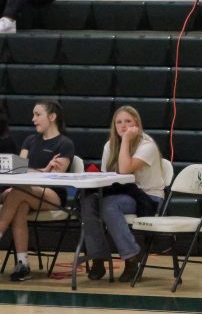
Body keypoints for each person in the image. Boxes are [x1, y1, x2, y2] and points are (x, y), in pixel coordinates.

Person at [80, 106, 165, 282]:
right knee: (88, 201)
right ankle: (97, 258)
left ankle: (132, 257)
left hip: (147, 196)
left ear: (137, 124)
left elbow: (125, 170)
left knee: (108, 205)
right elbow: (106, 178)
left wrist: (126, 140)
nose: (123, 126)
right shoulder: (109, 146)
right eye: (119, 122)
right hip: (121, 192)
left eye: (128, 121)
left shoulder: (146, 145)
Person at [0, 99, 73, 282]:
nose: (33, 119)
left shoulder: (65, 144)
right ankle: (23, 264)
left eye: (37, 114)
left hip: (52, 196)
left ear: (52, 116)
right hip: (25, 193)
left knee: (17, 192)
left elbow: (55, 176)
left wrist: (39, 171)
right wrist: (42, 170)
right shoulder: (30, 140)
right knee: (20, 203)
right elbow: (18, 171)